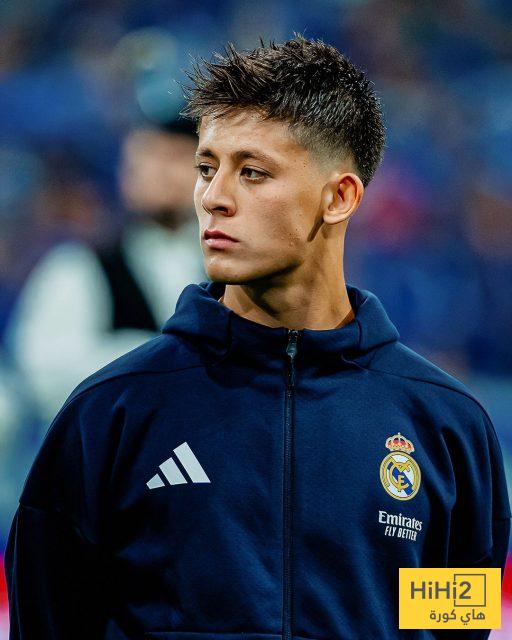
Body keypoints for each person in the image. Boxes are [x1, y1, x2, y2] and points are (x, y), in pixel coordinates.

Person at [4, 35, 510, 640]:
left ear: (340, 196)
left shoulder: (446, 426)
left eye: (252, 172)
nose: (212, 198)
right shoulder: (109, 412)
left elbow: (454, 626)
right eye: (206, 168)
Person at [5, 119, 205, 426]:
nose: (159, 173)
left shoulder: (227, 265)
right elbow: (44, 371)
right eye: (145, 159)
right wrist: (151, 357)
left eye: (175, 158)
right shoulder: (80, 266)